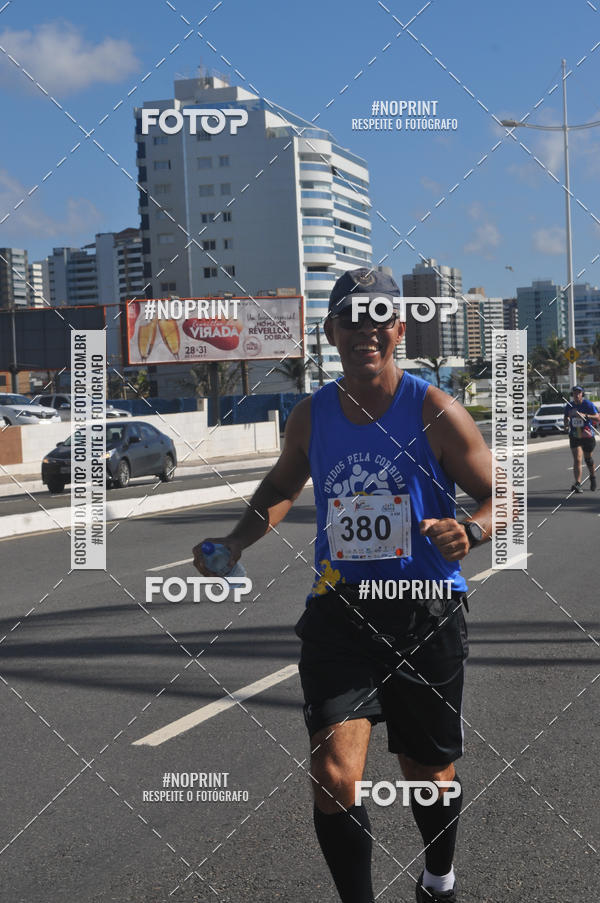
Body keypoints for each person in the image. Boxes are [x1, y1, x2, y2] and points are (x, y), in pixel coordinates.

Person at [193, 268, 494, 903]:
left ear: (399, 329)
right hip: (341, 610)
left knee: (427, 772)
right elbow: (280, 487)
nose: (365, 329)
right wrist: (235, 543)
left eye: (378, 317)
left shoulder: (432, 408)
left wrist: (471, 529)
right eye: (350, 319)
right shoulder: (311, 414)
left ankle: (438, 878)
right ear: (331, 332)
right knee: (334, 774)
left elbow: (504, 497)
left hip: (425, 611)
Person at [564, 385, 599, 492]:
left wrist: (586, 416)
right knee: (577, 459)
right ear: (572, 394)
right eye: (575, 393)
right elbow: (566, 417)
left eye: (579, 393)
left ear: (582, 394)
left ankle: (592, 477)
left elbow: (598, 417)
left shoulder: (587, 404)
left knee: (588, 459)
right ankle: (578, 483)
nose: (577, 395)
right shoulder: (569, 405)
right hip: (575, 435)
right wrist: (566, 424)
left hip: (587, 434)